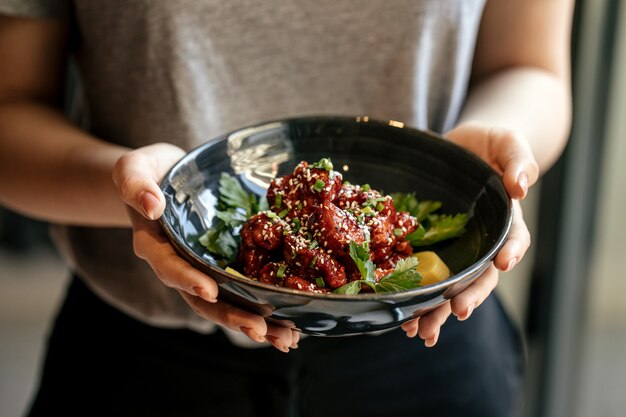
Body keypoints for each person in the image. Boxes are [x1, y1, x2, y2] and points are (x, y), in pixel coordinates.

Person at [0, 1, 573, 416]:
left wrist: (482, 171)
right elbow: (11, 110)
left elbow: (530, 66)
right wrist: (135, 187)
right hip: (138, 356)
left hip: (426, 341)